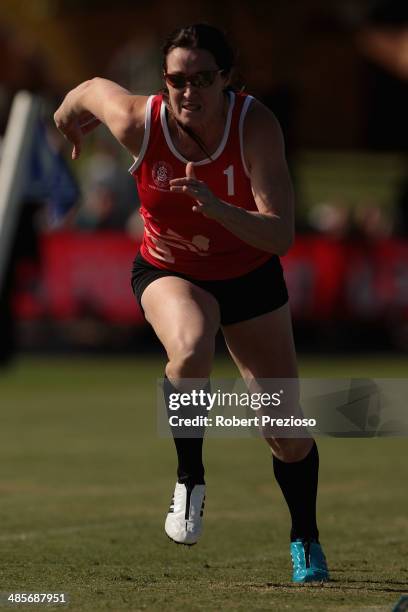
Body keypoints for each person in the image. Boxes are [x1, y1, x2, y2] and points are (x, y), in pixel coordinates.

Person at [54, 23, 329, 583]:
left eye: (203, 78)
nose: (189, 92)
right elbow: (85, 90)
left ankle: (306, 537)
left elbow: (280, 236)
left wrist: (217, 208)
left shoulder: (255, 124)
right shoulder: (139, 120)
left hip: (250, 274)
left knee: (287, 435)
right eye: (177, 79)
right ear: (165, 82)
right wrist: (66, 117)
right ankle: (189, 481)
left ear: (227, 79)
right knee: (191, 346)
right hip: (169, 268)